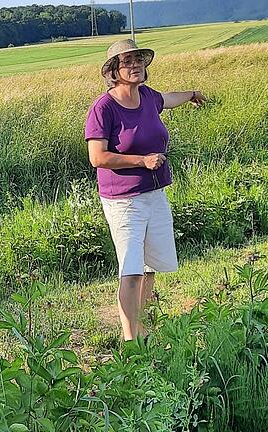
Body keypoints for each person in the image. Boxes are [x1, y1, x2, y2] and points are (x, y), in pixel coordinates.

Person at [84, 39, 206, 341]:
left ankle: (144, 328)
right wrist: (141, 160)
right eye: (127, 61)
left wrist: (191, 94)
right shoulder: (104, 108)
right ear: (114, 70)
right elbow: (97, 157)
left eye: (139, 60)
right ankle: (131, 340)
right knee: (132, 268)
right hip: (124, 200)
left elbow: (167, 98)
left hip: (155, 193)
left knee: (151, 264)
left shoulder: (149, 97)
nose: (136, 65)